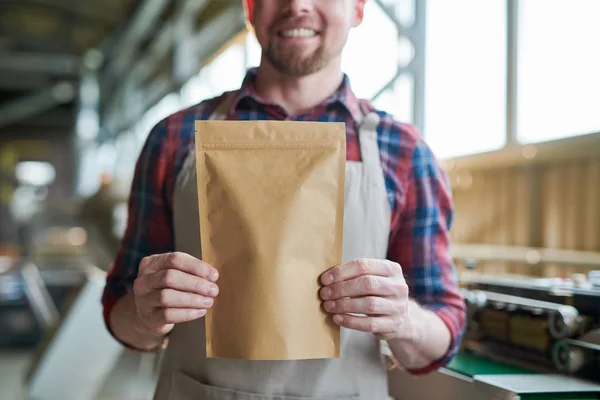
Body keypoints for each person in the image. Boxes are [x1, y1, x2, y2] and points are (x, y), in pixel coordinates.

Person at [102, 0, 467, 399]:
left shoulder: (404, 152)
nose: (297, 6)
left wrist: (405, 320)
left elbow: (442, 330)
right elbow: (121, 311)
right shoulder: (173, 138)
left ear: (358, 10)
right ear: (249, 9)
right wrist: (144, 312)